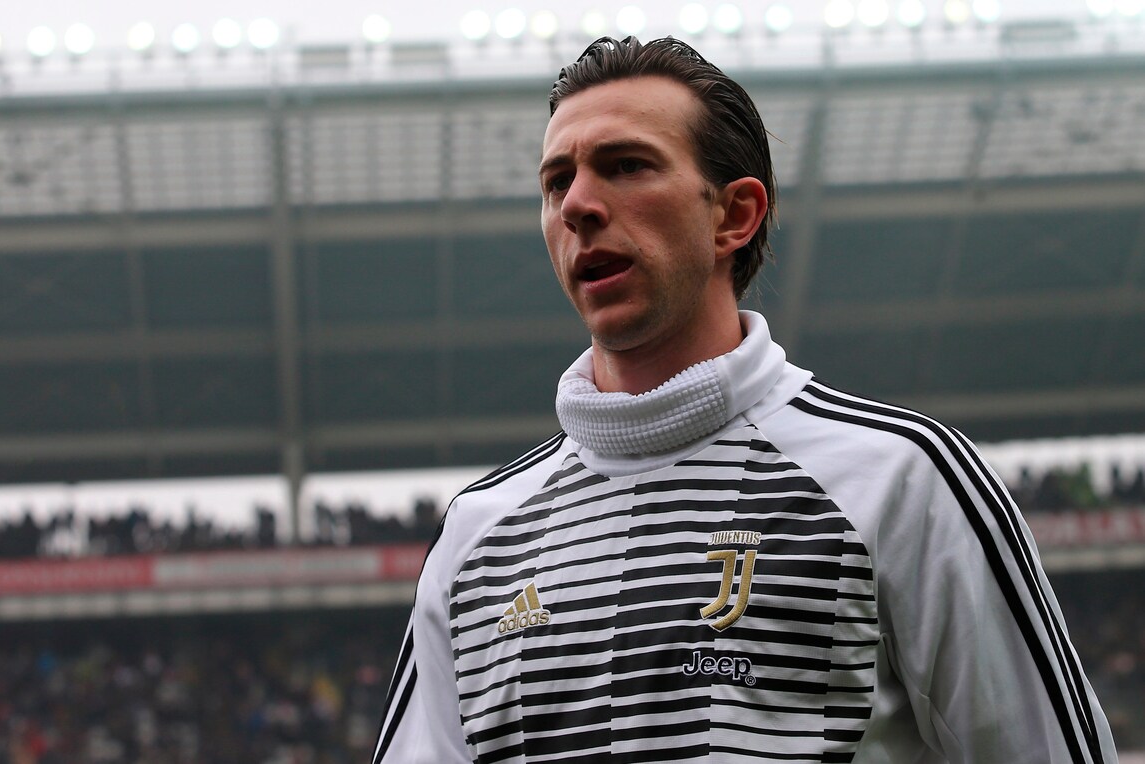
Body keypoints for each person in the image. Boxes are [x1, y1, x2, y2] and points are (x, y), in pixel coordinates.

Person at [373, 36, 1117, 763]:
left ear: (734, 215)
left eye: (626, 166)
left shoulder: (905, 479)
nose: (578, 205)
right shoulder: (476, 537)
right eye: (556, 181)